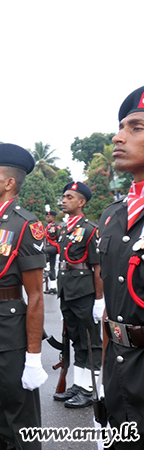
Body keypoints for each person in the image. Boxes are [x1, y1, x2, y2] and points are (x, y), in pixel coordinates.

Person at [0, 143, 47, 450]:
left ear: (9, 183)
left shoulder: (25, 224)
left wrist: (33, 357)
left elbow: (36, 296)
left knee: (19, 407)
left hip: (10, 328)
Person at [97, 85, 144, 449]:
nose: (118, 136)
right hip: (117, 364)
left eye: (135, 128)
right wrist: (103, 373)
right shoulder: (113, 216)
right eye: (121, 127)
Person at [52, 181, 102, 409]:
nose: (64, 200)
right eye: (63, 197)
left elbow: (97, 267)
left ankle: (92, 389)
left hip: (84, 292)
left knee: (91, 340)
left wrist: (99, 301)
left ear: (82, 202)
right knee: (77, 339)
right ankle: (79, 384)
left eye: (69, 197)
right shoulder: (66, 229)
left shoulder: (90, 229)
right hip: (67, 291)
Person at [43, 211, 60, 295]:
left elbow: (58, 237)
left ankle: (45, 267)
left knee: (42, 252)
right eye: (47, 217)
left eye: (49, 217)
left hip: (54, 247)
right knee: (52, 267)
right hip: (48, 247)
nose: (47, 218)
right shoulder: (46, 227)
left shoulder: (56, 226)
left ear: (53, 218)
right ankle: (53, 288)